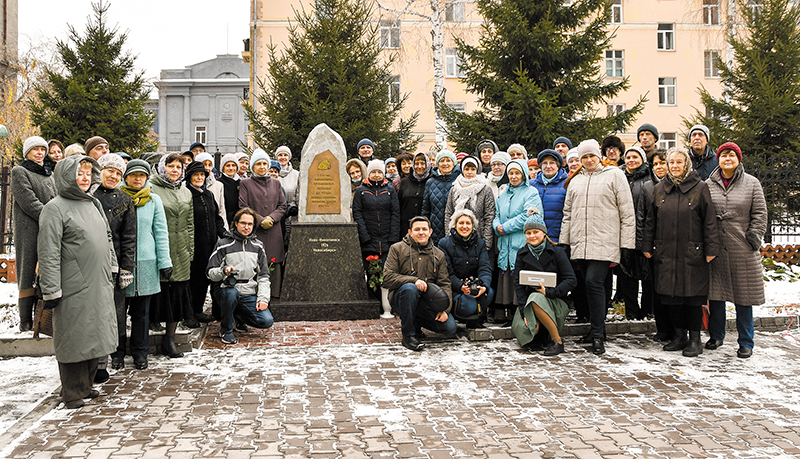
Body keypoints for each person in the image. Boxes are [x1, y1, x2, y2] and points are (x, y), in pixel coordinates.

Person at [37, 155, 117, 409]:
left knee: (95, 334)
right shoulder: (54, 208)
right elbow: (48, 251)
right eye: (78, 174)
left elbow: (106, 236)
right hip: (73, 285)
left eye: (87, 173)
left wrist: (113, 266)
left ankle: (86, 386)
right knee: (74, 337)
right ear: (66, 176)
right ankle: (71, 392)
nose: (84, 178)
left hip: (98, 281)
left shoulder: (93, 204)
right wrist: (51, 289)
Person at [642, 147, 719, 358]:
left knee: (692, 297)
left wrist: (712, 248)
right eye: (671, 162)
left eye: (679, 162)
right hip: (666, 251)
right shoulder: (660, 189)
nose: (674, 166)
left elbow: (710, 221)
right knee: (671, 296)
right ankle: (679, 336)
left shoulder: (700, 187)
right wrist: (647, 246)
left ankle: (695, 339)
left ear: (687, 165)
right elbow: (651, 221)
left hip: (692, 251)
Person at [560, 139, 635, 355]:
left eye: (592, 156)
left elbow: (626, 211)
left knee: (594, 282)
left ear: (598, 156)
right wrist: (565, 242)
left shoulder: (614, 175)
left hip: (605, 241)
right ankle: (595, 330)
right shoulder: (575, 181)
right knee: (589, 285)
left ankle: (598, 334)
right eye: (584, 157)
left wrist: (627, 244)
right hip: (581, 242)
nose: (588, 160)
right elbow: (568, 214)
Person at [706, 142, 767, 359]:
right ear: (718, 160)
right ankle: (716, 335)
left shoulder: (751, 183)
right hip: (717, 246)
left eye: (732, 155)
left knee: (744, 296)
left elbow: (760, 213)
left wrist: (753, 236)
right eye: (724, 155)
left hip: (742, 246)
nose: (727, 159)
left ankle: (746, 341)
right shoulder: (708, 184)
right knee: (716, 295)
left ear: (738, 159)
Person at [120, 159, 173, 370]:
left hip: (146, 262)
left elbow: (160, 232)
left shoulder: (153, 200)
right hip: (123, 263)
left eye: (141, 175)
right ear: (126, 177)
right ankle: (118, 352)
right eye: (133, 175)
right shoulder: (118, 198)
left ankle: (140, 353)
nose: (137, 179)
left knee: (142, 313)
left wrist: (165, 261)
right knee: (119, 312)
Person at [92, 153, 137, 381]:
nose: (113, 176)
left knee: (117, 312)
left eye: (118, 173)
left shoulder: (124, 200)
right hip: (91, 265)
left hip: (116, 265)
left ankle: (117, 353)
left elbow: (129, 236)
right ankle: (95, 361)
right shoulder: (89, 196)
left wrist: (127, 268)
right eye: (110, 170)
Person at [383, 216, 457, 351]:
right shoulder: (397, 249)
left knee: (450, 328)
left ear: (430, 232)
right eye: (417, 229)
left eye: (424, 229)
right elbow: (388, 277)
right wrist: (414, 280)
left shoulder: (439, 254)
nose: (421, 232)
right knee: (410, 289)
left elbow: (445, 283)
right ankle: (408, 336)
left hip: (427, 303)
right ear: (410, 232)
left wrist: (445, 309)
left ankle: (416, 322)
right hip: (402, 298)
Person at [512, 212, 577, 355]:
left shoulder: (558, 252)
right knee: (526, 331)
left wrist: (549, 292)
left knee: (536, 298)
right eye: (528, 233)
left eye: (536, 231)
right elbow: (518, 285)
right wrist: (524, 312)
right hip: (529, 303)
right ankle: (540, 333)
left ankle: (557, 340)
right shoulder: (521, 254)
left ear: (544, 232)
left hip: (556, 300)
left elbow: (571, 280)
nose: (532, 236)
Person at [149, 153, 195, 358]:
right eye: (170, 166)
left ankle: (170, 338)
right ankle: (150, 333)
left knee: (177, 296)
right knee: (160, 294)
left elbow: (190, 224)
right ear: (162, 168)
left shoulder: (185, 192)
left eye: (179, 166)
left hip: (181, 250)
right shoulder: (152, 188)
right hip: (160, 248)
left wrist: (190, 249)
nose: (175, 170)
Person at [207, 208, 274, 344]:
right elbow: (210, 273)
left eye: (250, 224)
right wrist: (224, 271)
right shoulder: (223, 244)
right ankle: (226, 330)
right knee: (231, 294)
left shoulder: (258, 246)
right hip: (226, 289)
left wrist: (263, 299)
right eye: (243, 223)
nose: (246, 227)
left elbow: (264, 276)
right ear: (236, 223)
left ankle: (238, 317)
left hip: (248, 292)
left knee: (266, 321)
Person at [11, 136, 57, 331]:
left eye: (42, 149)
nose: (40, 153)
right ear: (27, 152)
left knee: (48, 271)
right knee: (27, 271)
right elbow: (29, 202)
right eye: (35, 149)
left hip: (50, 229)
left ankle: (43, 317)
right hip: (29, 230)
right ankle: (25, 320)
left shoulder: (49, 174)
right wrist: (52, 218)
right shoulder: (19, 172)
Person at [493, 159, 544, 324]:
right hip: (504, 244)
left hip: (520, 242)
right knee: (505, 275)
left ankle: (519, 313)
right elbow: (496, 215)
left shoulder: (531, 192)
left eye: (517, 173)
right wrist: (497, 226)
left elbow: (527, 216)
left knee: (519, 276)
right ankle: (504, 311)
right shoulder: (503, 195)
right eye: (511, 173)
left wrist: (505, 227)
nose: (514, 177)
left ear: (523, 174)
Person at [239, 149, 287, 299]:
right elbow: (243, 206)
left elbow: (282, 205)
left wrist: (271, 219)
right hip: (255, 230)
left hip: (274, 230)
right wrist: (260, 220)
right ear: (253, 167)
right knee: (255, 262)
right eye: (258, 164)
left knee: (274, 261)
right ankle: (254, 296)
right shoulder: (246, 183)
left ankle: (274, 295)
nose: (262, 166)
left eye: (264, 163)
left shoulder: (276, 183)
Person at [353, 160, 401, 310]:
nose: (376, 175)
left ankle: (389, 306)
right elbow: (357, 214)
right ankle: (375, 307)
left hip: (387, 239)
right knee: (372, 275)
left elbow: (395, 213)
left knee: (387, 274)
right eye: (373, 172)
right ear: (368, 173)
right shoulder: (361, 191)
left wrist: (393, 236)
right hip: (369, 240)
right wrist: (364, 236)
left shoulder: (390, 190)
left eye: (379, 172)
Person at [185, 161, 228, 325]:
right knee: (192, 281)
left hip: (209, 245)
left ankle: (198, 310)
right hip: (193, 245)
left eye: (202, 175)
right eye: (196, 175)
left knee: (204, 279)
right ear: (189, 177)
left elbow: (216, 217)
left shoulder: (208, 194)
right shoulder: (186, 193)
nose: (199, 178)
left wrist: (223, 232)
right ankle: (188, 314)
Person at [616, 146, 654, 321]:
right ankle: (631, 311)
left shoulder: (649, 177)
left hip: (644, 230)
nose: (631, 160)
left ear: (643, 159)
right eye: (628, 157)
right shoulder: (620, 176)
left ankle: (647, 309)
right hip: (624, 232)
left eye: (635, 157)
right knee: (626, 274)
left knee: (647, 275)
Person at [438, 209, 493, 328]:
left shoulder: (480, 243)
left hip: (474, 285)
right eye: (461, 223)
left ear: (473, 226)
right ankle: (459, 315)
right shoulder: (444, 244)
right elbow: (446, 274)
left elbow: (485, 268)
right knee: (468, 305)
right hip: (455, 288)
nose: (464, 226)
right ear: (455, 225)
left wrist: (483, 286)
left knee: (489, 293)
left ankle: (474, 319)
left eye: (468, 223)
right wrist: (460, 286)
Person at [444, 156, 495, 253]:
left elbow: (489, 216)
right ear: (462, 170)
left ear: (477, 170)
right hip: (457, 236)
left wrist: (487, 242)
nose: (469, 172)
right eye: (466, 169)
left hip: (479, 237)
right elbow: (448, 213)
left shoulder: (485, 189)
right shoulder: (454, 189)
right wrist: (448, 236)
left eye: (473, 169)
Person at [422, 149, 460, 245]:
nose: (445, 163)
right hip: (435, 229)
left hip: (456, 227)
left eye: (448, 160)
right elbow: (426, 208)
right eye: (442, 161)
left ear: (453, 163)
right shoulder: (430, 182)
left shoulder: (459, 179)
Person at [531, 149, 569, 243]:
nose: (548, 166)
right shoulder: (531, 185)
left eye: (552, 163)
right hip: (534, 238)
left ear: (558, 165)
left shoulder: (567, 184)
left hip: (556, 239)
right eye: (544, 163)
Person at [397, 152, 430, 239]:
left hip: (424, 229)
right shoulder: (404, 182)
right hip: (406, 228)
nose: (419, 166)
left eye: (422, 163)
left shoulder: (431, 181)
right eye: (417, 164)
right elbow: (399, 205)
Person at [195, 152, 228, 229]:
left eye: (209, 165)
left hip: (214, 229)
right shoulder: (187, 185)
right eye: (204, 164)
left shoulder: (218, 185)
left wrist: (225, 231)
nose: (207, 168)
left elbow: (221, 211)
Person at [275, 145, 299, 216]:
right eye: (280, 155)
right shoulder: (271, 174)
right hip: (276, 213)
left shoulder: (296, 174)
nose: (283, 157)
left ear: (289, 157)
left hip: (292, 212)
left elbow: (299, 195)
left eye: (285, 155)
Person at [218, 153, 242, 225]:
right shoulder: (219, 183)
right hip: (225, 220)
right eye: (228, 165)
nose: (231, 168)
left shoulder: (240, 182)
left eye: (233, 165)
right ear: (223, 168)